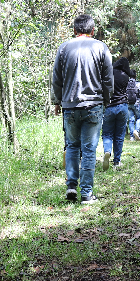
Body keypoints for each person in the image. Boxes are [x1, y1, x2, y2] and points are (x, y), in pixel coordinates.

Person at [51, 14, 113, 204]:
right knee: (88, 150)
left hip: (69, 105)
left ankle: (71, 186)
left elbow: (56, 78)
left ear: (75, 30)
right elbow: (107, 79)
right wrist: (107, 100)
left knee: (72, 146)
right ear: (92, 31)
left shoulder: (64, 47)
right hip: (93, 105)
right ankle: (86, 193)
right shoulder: (101, 47)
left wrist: (57, 101)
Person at [102, 57, 131, 169]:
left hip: (109, 107)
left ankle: (107, 151)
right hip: (123, 106)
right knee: (119, 135)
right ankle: (117, 162)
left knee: (107, 133)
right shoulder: (125, 76)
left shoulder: (109, 74)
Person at [126, 69, 140, 141]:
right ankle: (136, 131)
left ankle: (132, 137)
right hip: (137, 103)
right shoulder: (138, 84)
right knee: (138, 118)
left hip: (128, 103)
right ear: (135, 76)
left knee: (131, 120)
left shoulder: (126, 83)